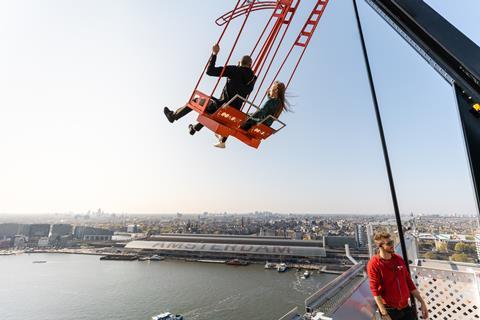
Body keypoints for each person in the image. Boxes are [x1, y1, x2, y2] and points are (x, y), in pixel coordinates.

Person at [163, 44, 256, 134]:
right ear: (250, 65)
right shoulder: (252, 79)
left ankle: (174, 116)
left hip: (220, 107)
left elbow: (210, 71)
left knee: (197, 101)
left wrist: (214, 54)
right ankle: (195, 128)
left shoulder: (234, 69)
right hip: (233, 114)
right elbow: (248, 91)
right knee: (213, 110)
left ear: (240, 63)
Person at [367, 231, 429, 320]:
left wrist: (422, 302)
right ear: (380, 246)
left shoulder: (398, 259)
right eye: (389, 243)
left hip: (405, 307)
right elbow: (375, 290)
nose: (392, 245)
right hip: (391, 311)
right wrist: (384, 314)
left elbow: (408, 282)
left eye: (392, 242)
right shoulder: (374, 264)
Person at [213, 81, 289, 148]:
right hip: (263, 127)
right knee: (244, 116)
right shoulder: (280, 104)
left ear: (275, 90)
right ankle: (222, 139)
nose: (269, 89)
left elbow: (261, 112)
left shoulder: (271, 101)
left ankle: (222, 139)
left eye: (271, 88)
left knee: (236, 119)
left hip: (256, 123)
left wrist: (249, 117)